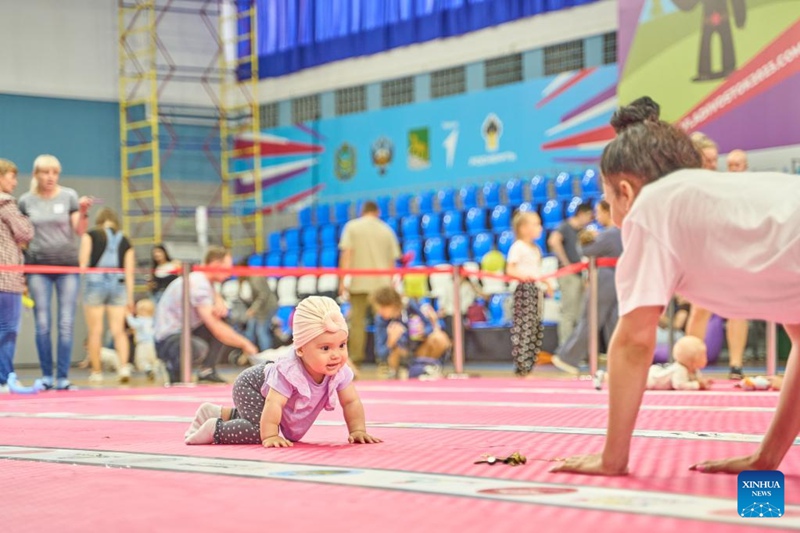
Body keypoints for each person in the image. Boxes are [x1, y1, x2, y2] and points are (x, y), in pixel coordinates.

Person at [551, 98, 800, 476]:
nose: (615, 219)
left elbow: (634, 341)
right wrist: (766, 459)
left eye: (608, 202)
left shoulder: (652, 208)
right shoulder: (718, 201)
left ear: (626, 191)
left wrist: (612, 459)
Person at [183, 296, 382, 447]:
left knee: (257, 417)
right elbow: (273, 403)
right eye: (325, 348)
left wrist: (357, 430)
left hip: (263, 394)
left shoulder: (339, 371)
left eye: (342, 345)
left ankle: (221, 412)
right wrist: (270, 435)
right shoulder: (290, 372)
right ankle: (215, 429)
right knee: (257, 430)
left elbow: (351, 401)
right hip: (252, 386)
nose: (336, 355)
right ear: (301, 349)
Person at [19, 154, 93, 391]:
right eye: (45, 172)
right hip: (38, 266)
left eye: (54, 172)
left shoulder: (69, 196)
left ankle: (62, 377)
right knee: (42, 323)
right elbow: (22, 236)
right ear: (36, 174)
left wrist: (83, 211)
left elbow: (80, 230)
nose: (50, 177)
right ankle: (46, 376)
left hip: (67, 266)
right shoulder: (26, 201)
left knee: (66, 322)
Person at [154, 246, 257, 384]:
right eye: (227, 268)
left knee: (224, 318)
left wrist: (218, 299)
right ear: (215, 265)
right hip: (169, 339)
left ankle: (206, 370)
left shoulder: (203, 281)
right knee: (199, 347)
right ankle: (174, 369)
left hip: (184, 331)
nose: (229, 273)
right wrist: (246, 345)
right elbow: (215, 327)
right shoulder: (199, 284)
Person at [552, 200, 623, 375]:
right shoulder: (622, 232)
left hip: (604, 280)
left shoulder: (609, 234)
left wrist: (586, 238)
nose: (597, 216)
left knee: (590, 318)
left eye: (599, 212)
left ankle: (567, 357)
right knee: (613, 321)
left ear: (608, 212)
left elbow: (585, 251)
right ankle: (619, 360)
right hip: (617, 280)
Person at [338, 200, 401, 367]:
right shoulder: (387, 230)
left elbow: (347, 254)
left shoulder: (352, 227)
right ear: (377, 212)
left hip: (359, 283)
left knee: (357, 324)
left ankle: (355, 360)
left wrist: (343, 281)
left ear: (362, 211)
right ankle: (384, 359)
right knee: (383, 323)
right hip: (382, 286)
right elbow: (392, 261)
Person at [79, 208, 135, 384]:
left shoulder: (91, 234)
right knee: (118, 331)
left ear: (99, 220)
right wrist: (130, 297)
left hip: (95, 282)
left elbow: (82, 263)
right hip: (118, 284)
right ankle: (124, 367)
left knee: (95, 331)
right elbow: (130, 272)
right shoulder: (125, 240)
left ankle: (96, 372)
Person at [0, 159, 38, 394]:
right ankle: (4, 378)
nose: (15, 181)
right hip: (6, 278)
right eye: (11, 176)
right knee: (8, 328)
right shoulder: (6, 203)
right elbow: (26, 232)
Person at [506, 211, 551, 376]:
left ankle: (530, 363)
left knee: (535, 327)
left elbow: (537, 270)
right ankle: (522, 366)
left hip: (536, 289)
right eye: (535, 224)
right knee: (524, 327)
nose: (539, 228)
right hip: (524, 289)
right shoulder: (518, 246)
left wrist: (545, 284)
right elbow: (510, 268)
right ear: (523, 228)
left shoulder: (536, 248)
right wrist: (526, 277)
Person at [371, 286, 451, 380]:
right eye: (379, 308)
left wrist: (423, 332)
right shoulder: (381, 320)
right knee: (395, 351)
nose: (380, 311)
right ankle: (402, 372)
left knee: (440, 338)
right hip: (399, 356)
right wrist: (390, 342)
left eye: (383, 308)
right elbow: (380, 353)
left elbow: (429, 326)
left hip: (418, 350)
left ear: (394, 304)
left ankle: (424, 368)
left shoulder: (410, 306)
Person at [548, 202, 594, 345]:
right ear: (581, 214)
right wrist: (567, 264)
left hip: (579, 275)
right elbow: (553, 241)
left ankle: (575, 351)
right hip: (569, 275)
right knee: (569, 313)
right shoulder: (565, 227)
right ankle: (565, 350)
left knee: (579, 314)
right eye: (589, 217)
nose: (590, 220)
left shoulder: (580, 231)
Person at [646, 336, 710, 391]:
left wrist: (703, 381)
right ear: (693, 361)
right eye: (703, 355)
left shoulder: (694, 369)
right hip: (651, 379)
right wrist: (697, 385)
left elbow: (697, 378)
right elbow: (679, 385)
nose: (707, 358)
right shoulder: (680, 370)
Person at [127, 298, 159, 380]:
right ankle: (154, 369)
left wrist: (127, 315)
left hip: (142, 344)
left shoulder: (141, 320)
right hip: (152, 344)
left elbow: (133, 323)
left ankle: (148, 369)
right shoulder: (152, 321)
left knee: (141, 360)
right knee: (153, 359)